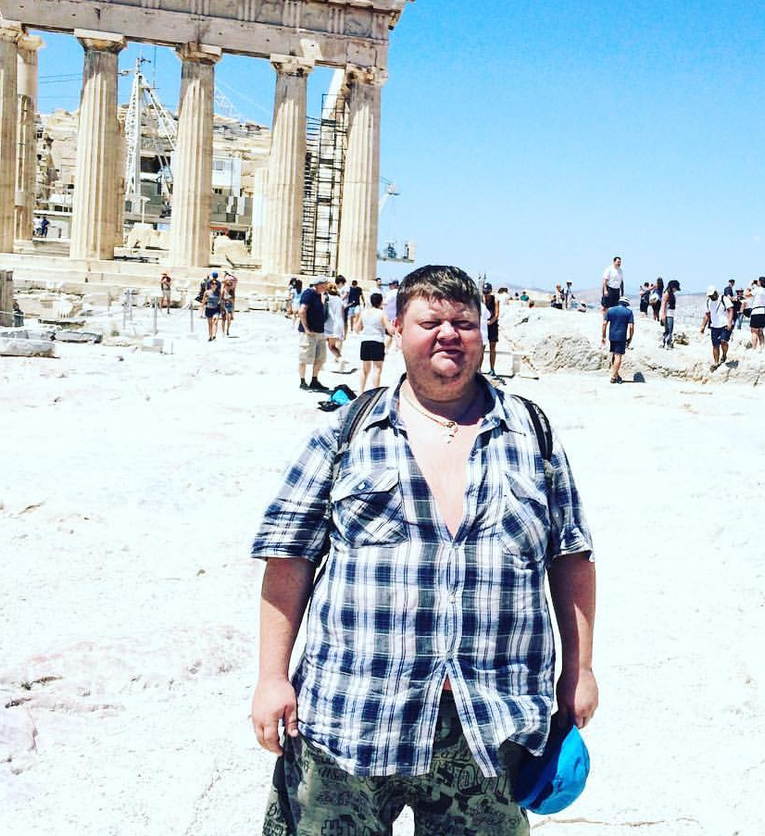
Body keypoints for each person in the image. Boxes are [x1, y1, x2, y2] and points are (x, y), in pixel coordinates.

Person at [251, 265, 597, 836]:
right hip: (353, 712)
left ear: (483, 333)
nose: (448, 334)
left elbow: (571, 558)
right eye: (430, 321)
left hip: (492, 724)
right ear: (397, 329)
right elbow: (289, 558)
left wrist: (578, 670)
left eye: (464, 322)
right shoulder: (347, 431)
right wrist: (271, 677)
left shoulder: (532, 433)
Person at [354, 290, 393, 392]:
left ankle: (361, 391)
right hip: (377, 341)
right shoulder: (382, 313)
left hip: (365, 341)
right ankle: (375, 392)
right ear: (380, 301)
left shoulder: (364, 312)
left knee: (365, 370)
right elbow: (390, 329)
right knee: (377, 370)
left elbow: (357, 328)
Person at [297, 277, 329, 392]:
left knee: (320, 358)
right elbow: (301, 311)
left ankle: (314, 380)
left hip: (319, 331)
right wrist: (306, 328)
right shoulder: (308, 294)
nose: (326, 287)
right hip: (309, 333)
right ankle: (302, 381)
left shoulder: (319, 295)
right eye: (325, 284)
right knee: (304, 357)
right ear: (319, 284)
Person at [602, 294, 634, 383]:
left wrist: (603, 335)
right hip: (621, 336)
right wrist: (630, 337)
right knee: (618, 356)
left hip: (612, 336)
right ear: (626, 304)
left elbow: (604, 323)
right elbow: (631, 326)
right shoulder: (629, 312)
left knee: (614, 355)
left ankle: (616, 375)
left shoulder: (610, 310)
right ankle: (613, 377)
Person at [700, 285, 734, 369]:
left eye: (712, 295)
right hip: (714, 326)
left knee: (723, 341)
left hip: (724, 324)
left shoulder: (724, 299)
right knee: (715, 345)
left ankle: (724, 354)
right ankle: (716, 362)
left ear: (716, 293)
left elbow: (730, 310)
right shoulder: (708, 302)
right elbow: (707, 314)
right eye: (709, 296)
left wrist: (729, 322)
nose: (711, 297)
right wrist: (703, 326)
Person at [325, 282, 346, 370]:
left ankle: (320, 362)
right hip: (339, 323)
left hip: (329, 324)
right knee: (332, 346)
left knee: (323, 344)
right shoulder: (339, 299)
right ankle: (340, 358)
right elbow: (342, 312)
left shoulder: (326, 298)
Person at [482, 281, 500, 376]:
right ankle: (479, 369)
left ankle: (492, 369)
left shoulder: (495, 300)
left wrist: (490, 322)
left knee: (492, 347)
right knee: (481, 348)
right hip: (483, 325)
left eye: (487, 292)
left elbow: (496, 314)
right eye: (484, 292)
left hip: (492, 325)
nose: (486, 294)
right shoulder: (480, 300)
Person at [748, 276, 765, 350]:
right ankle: (762, 348)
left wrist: (750, 285)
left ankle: (754, 348)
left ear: (760, 282)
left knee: (754, 331)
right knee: (761, 331)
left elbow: (746, 295)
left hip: (756, 311)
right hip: (764, 312)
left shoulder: (757, 290)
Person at [659, 279, 680, 349]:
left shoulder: (671, 294)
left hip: (670, 314)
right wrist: (663, 315)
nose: (676, 290)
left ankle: (667, 343)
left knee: (669, 330)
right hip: (667, 314)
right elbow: (663, 304)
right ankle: (667, 344)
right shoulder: (667, 293)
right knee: (669, 330)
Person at [201, 277, 223, 342]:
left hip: (216, 309)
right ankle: (210, 336)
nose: (214, 285)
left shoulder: (219, 292)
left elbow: (221, 301)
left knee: (215, 322)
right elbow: (203, 301)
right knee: (210, 323)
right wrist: (201, 310)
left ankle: (214, 336)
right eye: (213, 284)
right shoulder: (207, 292)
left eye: (215, 284)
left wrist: (223, 310)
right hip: (209, 309)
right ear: (210, 285)